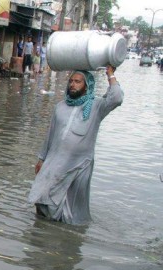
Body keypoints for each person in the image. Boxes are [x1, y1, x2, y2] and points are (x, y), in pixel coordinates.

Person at [28, 66, 124, 225]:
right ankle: (42, 232)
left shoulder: (97, 106)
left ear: (86, 85)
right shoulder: (60, 107)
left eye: (78, 82)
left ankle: (66, 237)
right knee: (42, 196)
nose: (72, 84)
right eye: (71, 81)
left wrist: (110, 74)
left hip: (79, 165)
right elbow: (50, 135)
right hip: (55, 161)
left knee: (72, 210)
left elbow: (117, 98)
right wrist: (41, 159)